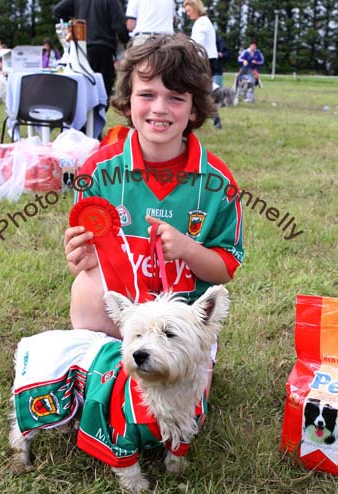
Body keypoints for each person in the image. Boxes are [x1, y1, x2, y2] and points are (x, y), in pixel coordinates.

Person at [64, 34, 244, 339]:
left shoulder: (217, 182)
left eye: (175, 98)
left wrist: (188, 249)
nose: (160, 108)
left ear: (194, 109)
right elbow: (83, 269)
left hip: (180, 326)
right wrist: (79, 258)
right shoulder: (97, 172)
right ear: (128, 100)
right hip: (119, 314)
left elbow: (224, 269)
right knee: (86, 288)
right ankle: (106, 367)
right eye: (147, 94)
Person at [53, 0, 129, 100]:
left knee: (83, 90)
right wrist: (127, 41)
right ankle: (97, 115)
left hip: (81, 49)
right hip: (104, 50)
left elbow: (58, 11)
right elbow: (119, 27)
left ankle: (86, 113)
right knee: (103, 92)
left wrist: (71, 29)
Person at [183, 0, 221, 129]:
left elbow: (197, 44)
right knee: (202, 91)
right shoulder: (206, 21)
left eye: (188, 11)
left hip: (204, 61)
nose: (187, 14)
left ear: (195, 8)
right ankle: (213, 118)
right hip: (210, 60)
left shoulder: (200, 23)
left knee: (195, 90)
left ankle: (200, 118)